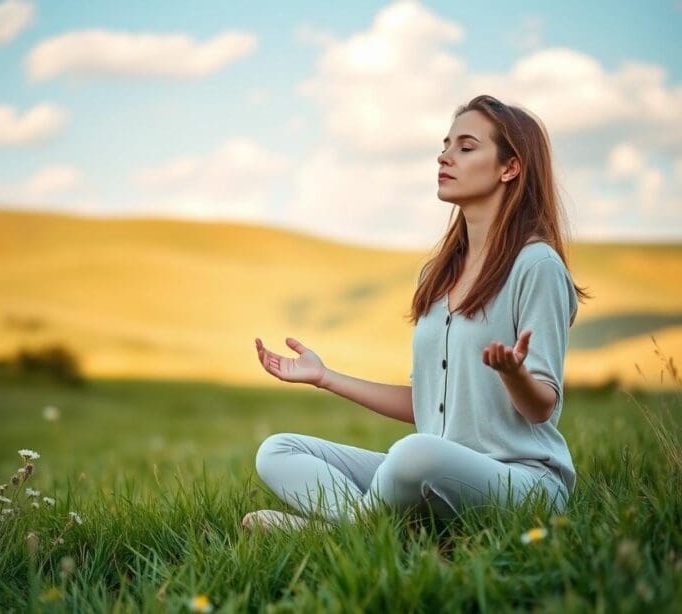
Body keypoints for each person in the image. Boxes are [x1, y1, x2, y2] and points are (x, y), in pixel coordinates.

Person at [242, 94, 591, 532]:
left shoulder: (536, 266)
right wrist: (325, 377)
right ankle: (369, 526)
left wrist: (513, 373)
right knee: (278, 449)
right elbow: (426, 404)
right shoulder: (440, 272)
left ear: (510, 167)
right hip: (432, 470)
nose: (444, 157)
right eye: (446, 145)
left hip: (521, 482)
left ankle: (346, 532)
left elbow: (542, 407)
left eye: (466, 147)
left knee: (413, 453)